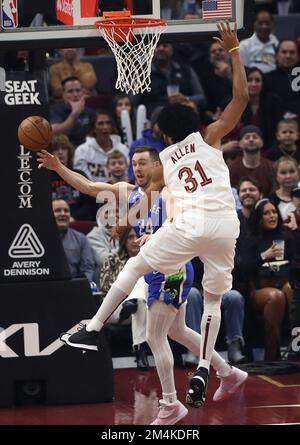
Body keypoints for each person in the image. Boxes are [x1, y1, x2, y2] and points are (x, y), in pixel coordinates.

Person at [38, 21, 249, 412]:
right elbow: (239, 99)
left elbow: (159, 201)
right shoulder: (206, 139)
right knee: (194, 317)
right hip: (224, 226)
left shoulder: (164, 167)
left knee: (154, 319)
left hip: (180, 245)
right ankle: (214, 367)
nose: (137, 166)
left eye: (140, 160)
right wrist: (235, 52)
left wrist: (150, 227)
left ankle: (96, 329)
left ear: (161, 143)